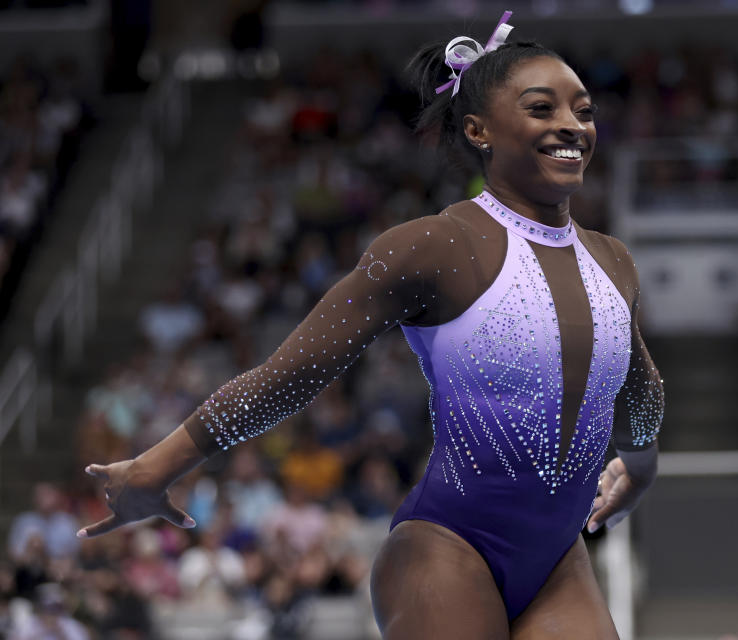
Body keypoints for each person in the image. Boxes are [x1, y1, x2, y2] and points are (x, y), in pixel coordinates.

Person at [77, 11, 664, 638]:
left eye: (584, 110)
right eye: (542, 109)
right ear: (478, 129)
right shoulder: (435, 246)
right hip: (446, 550)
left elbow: (637, 382)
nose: (571, 125)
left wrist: (640, 462)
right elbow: (290, 376)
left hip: (557, 562)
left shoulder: (611, 259)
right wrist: (156, 466)